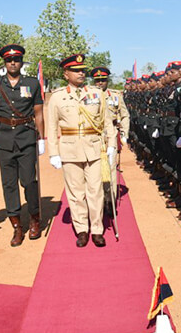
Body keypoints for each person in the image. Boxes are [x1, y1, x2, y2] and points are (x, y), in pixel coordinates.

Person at [47, 54, 116, 248]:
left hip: (94, 148)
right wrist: (53, 153)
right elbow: (52, 127)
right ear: (66, 73)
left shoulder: (96, 93)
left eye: (83, 70)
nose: (81, 73)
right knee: (76, 193)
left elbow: (106, 120)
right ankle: (82, 229)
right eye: (76, 70)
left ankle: (96, 230)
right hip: (69, 149)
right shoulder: (58, 97)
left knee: (95, 191)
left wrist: (112, 143)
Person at [0, 44, 44, 247]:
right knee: (9, 184)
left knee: (28, 181)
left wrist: (42, 138)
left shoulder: (32, 83)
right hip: (4, 138)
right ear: (4, 62)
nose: (12, 63)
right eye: (9, 60)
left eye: (16, 59)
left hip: (26, 136)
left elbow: (38, 112)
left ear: (21, 62)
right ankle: (17, 226)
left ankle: (34, 218)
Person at [91, 66, 130, 210]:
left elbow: (125, 115)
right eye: (97, 80)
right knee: (94, 169)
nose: (100, 83)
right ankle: (97, 199)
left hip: (111, 135)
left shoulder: (115, 96)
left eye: (103, 80)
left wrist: (125, 133)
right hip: (93, 135)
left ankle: (110, 200)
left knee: (111, 168)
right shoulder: (88, 95)